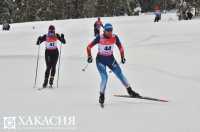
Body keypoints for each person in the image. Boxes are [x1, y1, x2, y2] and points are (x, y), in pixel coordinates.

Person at [86, 23, 140, 105]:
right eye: (108, 31)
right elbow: (89, 47)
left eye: (111, 30)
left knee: (120, 74)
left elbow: (121, 48)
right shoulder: (99, 37)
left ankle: (130, 91)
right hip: (100, 60)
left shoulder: (114, 37)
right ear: (104, 31)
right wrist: (89, 56)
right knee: (105, 77)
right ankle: (102, 95)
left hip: (111, 59)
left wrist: (122, 57)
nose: (110, 32)